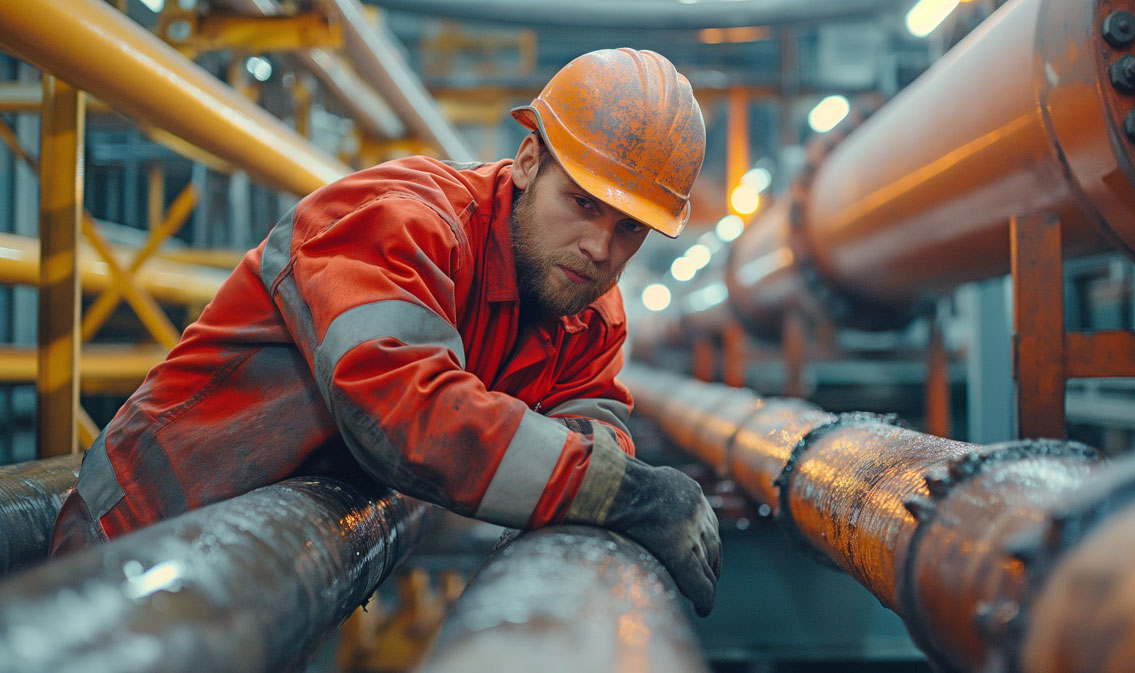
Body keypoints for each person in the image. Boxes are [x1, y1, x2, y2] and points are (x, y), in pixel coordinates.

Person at [49, 48, 720, 615]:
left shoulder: (586, 308)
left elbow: (594, 416)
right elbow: (407, 412)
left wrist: (600, 473)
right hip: (138, 540)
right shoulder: (402, 222)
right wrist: (622, 491)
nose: (599, 248)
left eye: (629, 227)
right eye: (581, 203)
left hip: (268, 570)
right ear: (525, 163)